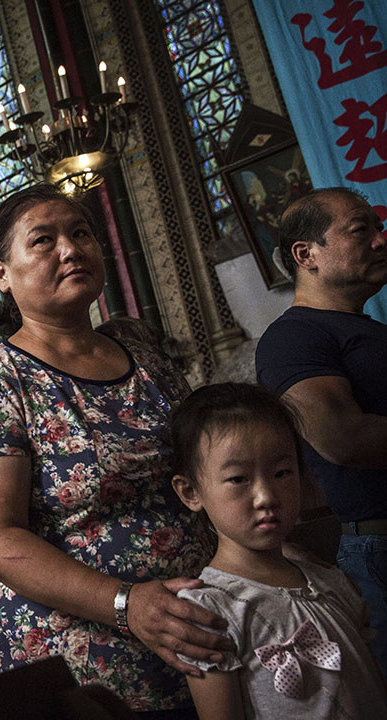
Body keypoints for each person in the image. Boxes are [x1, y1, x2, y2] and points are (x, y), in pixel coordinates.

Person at [0, 184, 227, 717]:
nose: (70, 250)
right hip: (75, 654)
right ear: (2, 274)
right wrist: (125, 604)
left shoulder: (145, 359)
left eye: (80, 234)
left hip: (195, 629)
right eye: (44, 241)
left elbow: (208, 467)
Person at [169, 383, 387, 719]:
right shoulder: (208, 613)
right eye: (239, 479)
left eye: (282, 473)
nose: (266, 496)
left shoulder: (333, 582)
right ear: (190, 492)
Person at [255, 186, 387, 679]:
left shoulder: (368, 329)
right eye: (361, 230)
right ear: (306, 254)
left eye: (378, 227)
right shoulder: (294, 337)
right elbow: (343, 438)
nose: (380, 240)